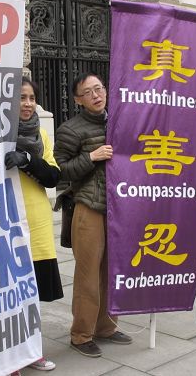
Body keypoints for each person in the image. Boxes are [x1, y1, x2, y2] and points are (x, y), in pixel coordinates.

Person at [54, 72, 132, 358]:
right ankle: (81, 334)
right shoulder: (70, 130)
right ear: (78, 100)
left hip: (119, 207)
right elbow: (61, 172)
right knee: (88, 274)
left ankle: (107, 327)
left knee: (112, 271)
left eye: (99, 88)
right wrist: (92, 157)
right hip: (88, 207)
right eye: (88, 92)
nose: (96, 95)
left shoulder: (121, 121)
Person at [5, 77, 63, 374]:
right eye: (20, 97)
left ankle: (31, 352)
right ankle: (7, 356)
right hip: (6, 222)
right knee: (7, 292)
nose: (27, 103)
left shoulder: (41, 134)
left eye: (31, 97)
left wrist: (27, 158)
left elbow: (53, 176)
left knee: (30, 292)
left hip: (36, 220)